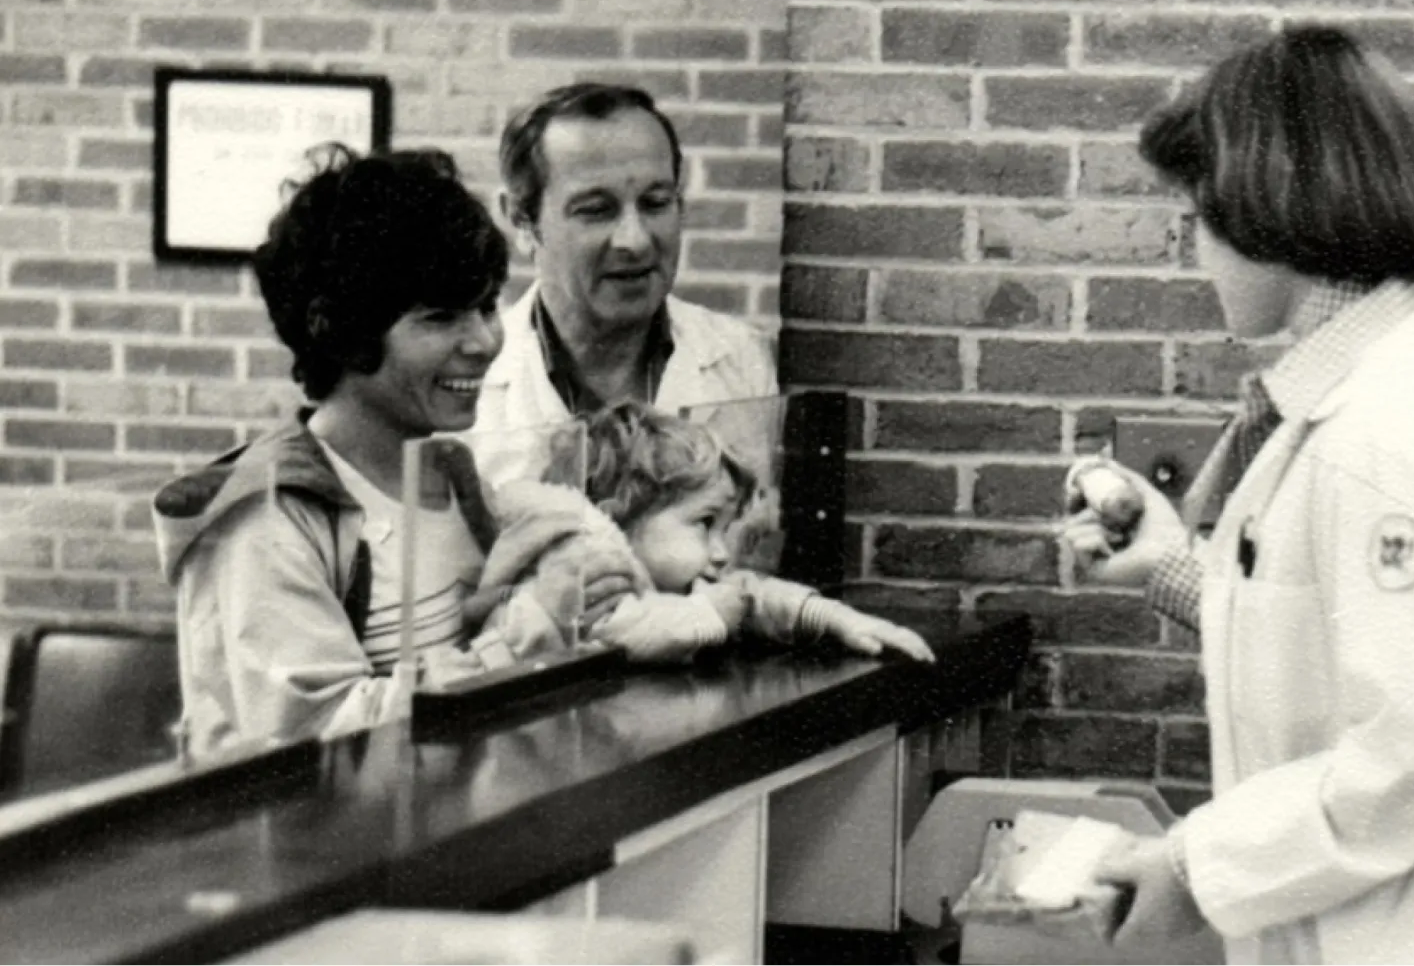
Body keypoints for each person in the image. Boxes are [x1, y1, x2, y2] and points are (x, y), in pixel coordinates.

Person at [1055, 27, 1414, 964]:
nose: (1196, 255)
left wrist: (1194, 867)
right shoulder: (1369, 401)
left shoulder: (1391, 435)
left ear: (1266, 208)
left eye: (1197, 220)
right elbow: (1341, 648)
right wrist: (1173, 570)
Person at [154, 147, 637, 759]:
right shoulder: (271, 515)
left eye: (487, 305)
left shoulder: (453, 476)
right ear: (340, 330)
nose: (484, 341)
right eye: (439, 318)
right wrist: (533, 625)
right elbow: (318, 749)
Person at [470, 83, 776, 489]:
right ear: (522, 222)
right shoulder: (468, 380)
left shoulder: (742, 361)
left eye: (655, 203)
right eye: (596, 210)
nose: (634, 240)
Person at [472, 401, 934, 666]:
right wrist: (708, 616)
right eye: (703, 524)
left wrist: (830, 618)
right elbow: (627, 631)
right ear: (620, 518)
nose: (719, 552)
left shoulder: (669, 580)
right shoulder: (584, 576)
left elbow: (746, 593)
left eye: (726, 528)